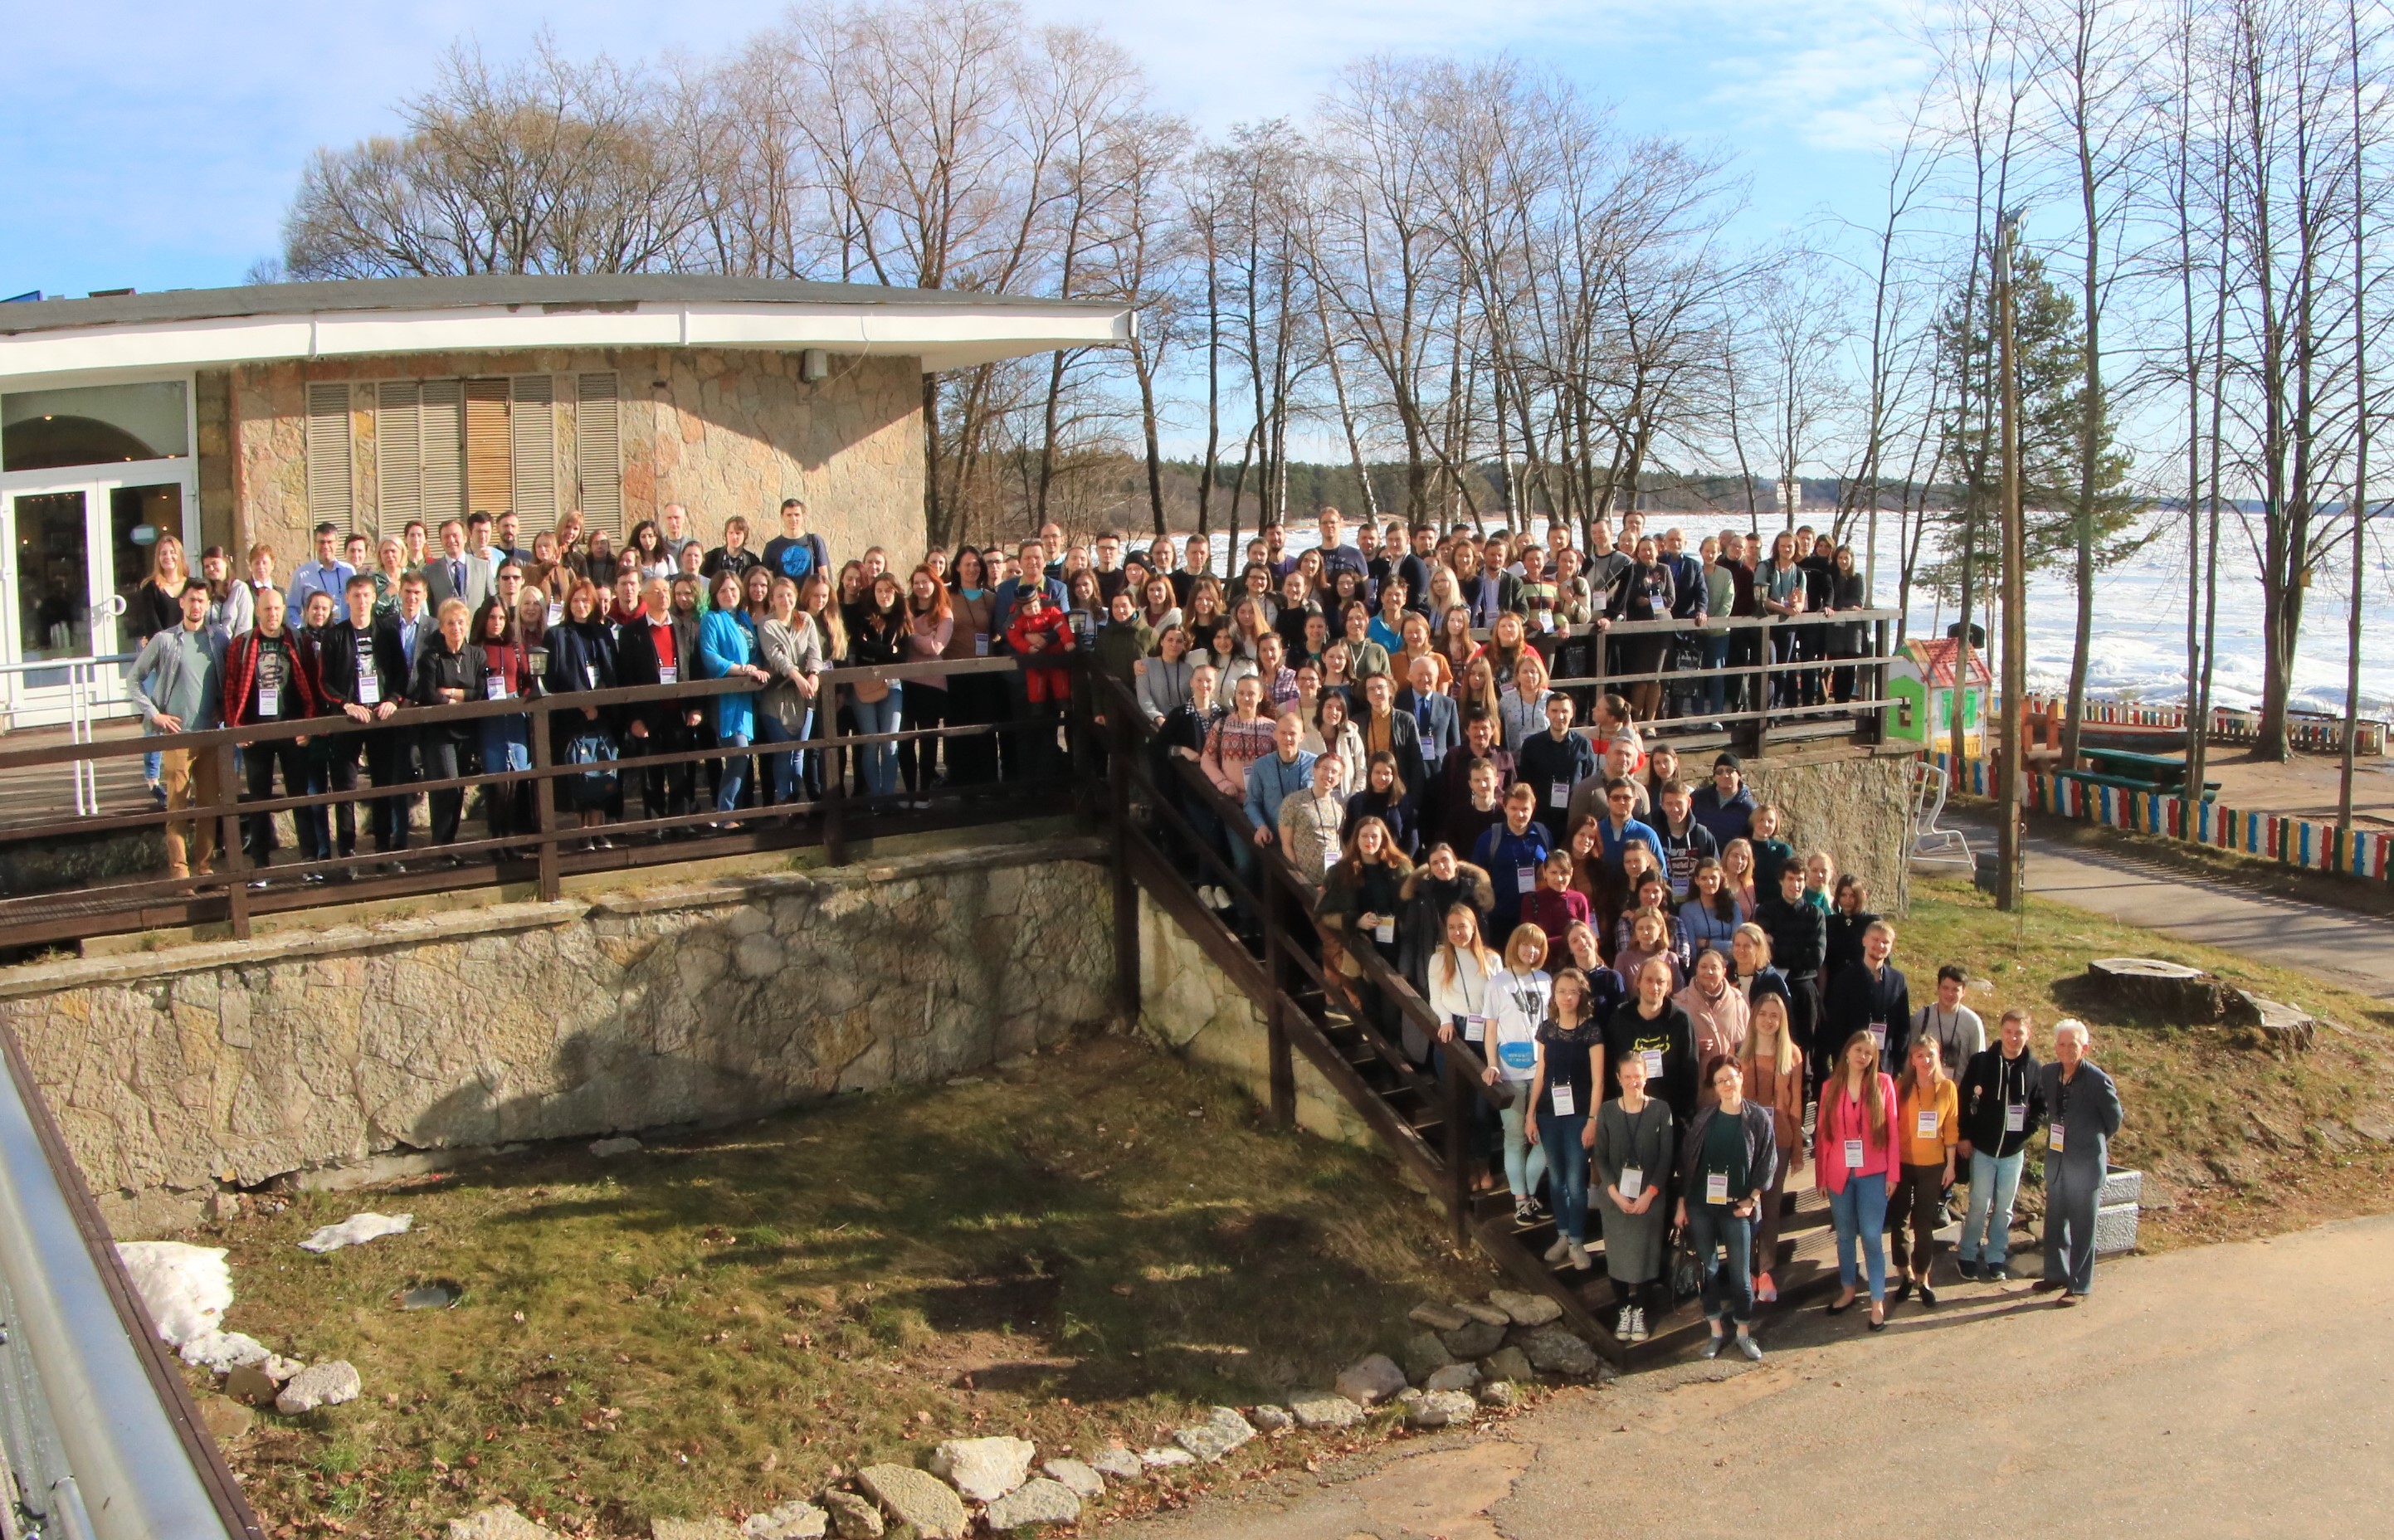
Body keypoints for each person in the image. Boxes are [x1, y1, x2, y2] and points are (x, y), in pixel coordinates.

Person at [128, 578, 227, 880]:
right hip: (177, 736)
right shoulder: (165, 640)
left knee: (209, 805)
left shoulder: (219, 640)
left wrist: (224, 708)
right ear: (182, 603)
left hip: (209, 735)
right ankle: (180, 872)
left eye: (201, 601)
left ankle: (205, 868)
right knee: (177, 806)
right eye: (191, 600)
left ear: (208, 605)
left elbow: (230, 681)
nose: (196, 606)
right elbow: (134, 679)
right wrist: (155, 715)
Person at [1677, 1059, 1777, 1360]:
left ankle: (1744, 1333)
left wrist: (1752, 1199)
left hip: (1737, 1208)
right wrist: (1682, 1203)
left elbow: (1768, 1162)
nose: (1726, 1085)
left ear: (1741, 1078)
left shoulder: (1757, 1118)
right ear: (1714, 1086)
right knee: (1707, 1270)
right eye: (1720, 1081)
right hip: (1702, 1206)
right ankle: (1716, 1332)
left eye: (1731, 1078)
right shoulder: (1704, 1118)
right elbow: (1688, 1163)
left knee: (1740, 1275)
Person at [223, 586, 321, 874]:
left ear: (284, 611)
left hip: (292, 729)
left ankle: (309, 860)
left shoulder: (298, 641)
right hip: (256, 732)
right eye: (267, 609)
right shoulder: (242, 644)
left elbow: (312, 685)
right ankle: (260, 865)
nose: (272, 614)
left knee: (300, 796)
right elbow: (230, 689)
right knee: (258, 800)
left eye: (277, 608)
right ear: (257, 612)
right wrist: (237, 728)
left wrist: (309, 724)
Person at [1818, 1031, 1901, 1330]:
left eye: (1868, 1052)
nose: (1863, 1056)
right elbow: (1823, 1135)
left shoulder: (1884, 1084)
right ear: (1847, 1051)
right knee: (1844, 1235)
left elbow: (1893, 1132)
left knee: (1871, 1235)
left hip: (1874, 1173)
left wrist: (1893, 1174)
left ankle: (1877, 1300)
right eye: (1858, 1050)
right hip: (1839, 1172)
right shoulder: (1830, 1087)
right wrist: (1821, 1176)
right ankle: (1848, 1289)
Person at [2036, 1020, 2123, 1304]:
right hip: (2058, 1160)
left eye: (2072, 1045)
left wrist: (2090, 1139)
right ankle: (2055, 1274)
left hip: (2085, 1164)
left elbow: (2114, 1119)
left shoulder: (2098, 1080)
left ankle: (2079, 1286)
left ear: (2084, 1048)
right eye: (2061, 1044)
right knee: (2054, 1222)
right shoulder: (2049, 1073)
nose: (2066, 1050)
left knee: (2083, 1228)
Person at [1957, 1007, 2045, 1281]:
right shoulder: (1982, 1062)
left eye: (2019, 1033)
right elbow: (1963, 1099)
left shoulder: (2034, 1068)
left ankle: (1996, 1256)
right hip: (1983, 1149)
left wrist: (2026, 1133)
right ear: (2001, 1032)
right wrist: (1964, 1136)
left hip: (2012, 1153)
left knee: (2004, 1208)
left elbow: (2040, 1106)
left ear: (2028, 1034)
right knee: (1979, 1204)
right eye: (2008, 1032)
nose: (2013, 1038)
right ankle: (1967, 1254)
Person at [1524, 965, 1603, 1271]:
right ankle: (1562, 1235)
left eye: (1573, 992)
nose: (1567, 997)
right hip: (1549, 1113)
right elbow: (1540, 1074)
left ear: (1581, 995)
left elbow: (1598, 1081)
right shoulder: (1547, 1029)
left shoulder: (1591, 1031)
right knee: (1556, 1179)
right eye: (1562, 991)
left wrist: (1593, 1119)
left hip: (1579, 1115)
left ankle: (1577, 1242)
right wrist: (1531, 1114)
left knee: (1575, 1180)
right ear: (1554, 995)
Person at [1593, 1049, 1675, 1343]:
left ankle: (1640, 1310)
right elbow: (1600, 1156)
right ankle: (1623, 1310)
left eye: (1637, 1076)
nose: (1633, 1082)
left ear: (1646, 1077)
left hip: (1650, 1196)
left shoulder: (1661, 1110)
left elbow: (1666, 1156)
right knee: (1617, 1256)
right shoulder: (1607, 1111)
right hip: (1616, 1196)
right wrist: (1613, 1193)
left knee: (1646, 1256)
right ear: (1618, 1078)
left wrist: (1650, 1194)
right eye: (1627, 1077)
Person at [547, 579, 625, 842]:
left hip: (601, 715)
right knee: (579, 773)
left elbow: (612, 672)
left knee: (602, 768)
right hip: (572, 717)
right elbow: (554, 679)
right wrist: (581, 704)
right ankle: (583, 834)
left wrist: (597, 703)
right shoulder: (557, 635)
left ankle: (598, 831)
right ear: (569, 603)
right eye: (577, 600)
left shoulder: (603, 633)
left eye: (586, 601)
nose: (581, 605)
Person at [1740, 992, 1804, 1303]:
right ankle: (1745, 1269)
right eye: (1763, 1014)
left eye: (1774, 1016)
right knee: (1746, 1205)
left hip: (1779, 1139)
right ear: (1754, 1017)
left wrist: (1798, 1150)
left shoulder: (1792, 1054)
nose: (1768, 1021)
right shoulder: (1741, 1051)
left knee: (1771, 1206)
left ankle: (1765, 1269)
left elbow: (1796, 1104)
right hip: (1747, 1141)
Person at [1889, 1036, 1959, 1307]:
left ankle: (1923, 1277)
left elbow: (1951, 1128)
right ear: (1912, 1060)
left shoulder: (1948, 1088)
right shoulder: (1901, 1087)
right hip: (1903, 1163)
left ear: (1938, 1056)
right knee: (1899, 1220)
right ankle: (1904, 1273)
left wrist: (1950, 1164)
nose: (1926, 1060)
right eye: (1920, 1055)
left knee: (1924, 1223)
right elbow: (1891, 1126)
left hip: (1933, 1165)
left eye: (1930, 1054)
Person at [406, 597, 480, 850]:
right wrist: (458, 699)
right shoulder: (431, 657)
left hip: (465, 732)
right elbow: (429, 694)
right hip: (439, 734)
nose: (456, 628)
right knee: (447, 786)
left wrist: (450, 693)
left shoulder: (476, 655)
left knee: (458, 789)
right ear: (441, 627)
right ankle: (442, 844)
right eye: (450, 623)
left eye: (460, 622)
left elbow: (480, 692)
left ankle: (449, 841)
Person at [469, 596, 538, 843]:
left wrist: (523, 700)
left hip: (515, 717)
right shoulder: (476, 648)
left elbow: (528, 681)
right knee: (497, 785)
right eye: (492, 617)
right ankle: (496, 839)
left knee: (516, 783)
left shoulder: (516, 648)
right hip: (490, 720)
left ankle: (512, 839)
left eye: (501, 618)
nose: (497, 622)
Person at [756, 575, 826, 808]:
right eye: (780, 596)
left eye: (789, 595)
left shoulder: (805, 620)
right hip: (776, 698)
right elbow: (776, 656)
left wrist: (814, 673)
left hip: (804, 697)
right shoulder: (766, 624)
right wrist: (797, 677)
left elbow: (815, 652)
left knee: (799, 751)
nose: (785, 600)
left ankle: (794, 799)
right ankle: (784, 800)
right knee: (783, 751)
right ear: (772, 599)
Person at [1755, 861, 1826, 1081]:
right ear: (1781, 881)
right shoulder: (1766, 911)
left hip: (1803, 988)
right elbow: (1762, 952)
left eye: (1800, 880)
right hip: (1772, 987)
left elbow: (1815, 958)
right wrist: (1796, 950)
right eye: (1791, 879)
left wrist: (1777, 947)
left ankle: (1804, 1095)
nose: (1795, 885)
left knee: (1804, 1047)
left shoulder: (1815, 914)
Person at [847, 572, 909, 799]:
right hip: (864, 685)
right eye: (879, 590)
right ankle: (876, 798)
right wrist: (887, 651)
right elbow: (860, 647)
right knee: (871, 742)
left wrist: (877, 652)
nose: (884, 595)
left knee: (890, 743)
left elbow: (903, 656)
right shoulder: (863, 617)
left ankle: (888, 797)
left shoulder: (902, 619)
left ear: (896, 592)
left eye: (888, 590)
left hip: (892, 685)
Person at [1825, 919, 1913, 1073]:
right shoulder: (1845, 979)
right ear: (1864, 940)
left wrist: (1898, 1063)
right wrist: (1842, 1062)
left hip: (1885, 1066)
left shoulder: (1898, 980)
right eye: (1875, 939)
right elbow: (1837, 1025)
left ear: (1891, 947)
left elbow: (1903, 1025)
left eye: (1885, 942)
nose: (1880, 945)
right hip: (1853, 1064)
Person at [1514, 692, 1596, 848]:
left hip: (1572, 818)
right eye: (1554, 711)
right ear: (1546, 712)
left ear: (1572, 713)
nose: (1560, 716)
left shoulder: (1583, 745)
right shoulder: (1531, 745)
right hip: (1540, 817)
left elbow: (1589, 782)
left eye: (1565, 711)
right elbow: (1524, 783)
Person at [1472, 782, 1554, 926]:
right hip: (1500, 918)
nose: (1520, 814)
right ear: (1505, 808)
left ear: (1533, 808)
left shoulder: (1543, 835)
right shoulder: (1489, 839)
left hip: (1538, 917)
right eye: (1514, 808)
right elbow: (1476, 877)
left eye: (1525, 809)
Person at [1675, 947, 1749, 1084]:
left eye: (1714, 968)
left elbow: (1748, 1043)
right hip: (1695, 1082)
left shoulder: (1738, 1002)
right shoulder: (1680, 1003)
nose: (1708, 972)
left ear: (1724, 971)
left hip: (1731, 1083)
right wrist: (1693, 1047)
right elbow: (1673, 1047)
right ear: (1696, 970)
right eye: (1703, 967)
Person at [1278, 753, 1349, 883]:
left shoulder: (1340, 804)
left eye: (1334, 772)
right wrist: (1299, 877)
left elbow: (1342, 840)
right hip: (1305, 882)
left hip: (1334, 879)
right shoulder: (1294, 802)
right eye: (1324, 769)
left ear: (1339, 778)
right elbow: (1286, 844)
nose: (1328, 775)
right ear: (1314, 771)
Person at [1914, 963, 1987, 1080]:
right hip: (1925, 1087)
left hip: (1960, 1088)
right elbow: (1910, 1056)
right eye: (1945, 988)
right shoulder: (1921, 1018)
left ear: (1964, 992)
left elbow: (1979, 1064)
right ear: (1938, 988)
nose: (1949, 994)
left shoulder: (1972, 1023)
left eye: (1955, 990)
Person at [1520, 848, 1592, 958]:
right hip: (1541, 962)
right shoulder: (1531, 900)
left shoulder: (1579, 899)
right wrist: (1570, 939)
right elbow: (1529, 940)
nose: (1559, 878)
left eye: (1564, 872)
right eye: (1553, 873)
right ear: (1545, 873)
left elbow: (1586, 937)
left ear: (1571, 872)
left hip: (1573, 962)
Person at [1343, 749, 1413, 856]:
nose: (1382, 777)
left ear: (1394, 775)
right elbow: (1348, 835)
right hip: (1363, 860)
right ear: (1370, 774)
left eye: (1387, 773)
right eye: (1377, 772)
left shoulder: (1403, 801)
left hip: (1394, 861)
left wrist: (1402, 862)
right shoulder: (1356, 801)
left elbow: (1411, 838)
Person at [1679, 858, 1742, 962]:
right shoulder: (1687, 910)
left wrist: (1706, 943)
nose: (1709, 882)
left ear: (1720, 879)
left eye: (1713, 878)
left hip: (1731, 964)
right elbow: (1692, 950)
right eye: (1704, 878)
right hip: (1702, 965)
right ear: (1697, 881)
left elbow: (1738, 947)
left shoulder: (1733, 906)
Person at [1824, 874, 1880, 981]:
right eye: (1843, 895)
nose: (1847, 900)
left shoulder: (1871, 922)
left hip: (1863, 981)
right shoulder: (1829, 923)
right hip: (1835, 982)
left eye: (1852, 896)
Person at [763, 498, 831, 584]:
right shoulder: (772, 546)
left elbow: (824, 575)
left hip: (809, 592)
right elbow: (769, 580)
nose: (793, 519)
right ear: (782, 516)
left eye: (797, 515)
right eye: (789, 515)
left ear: (803, 516)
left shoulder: (814, 541)